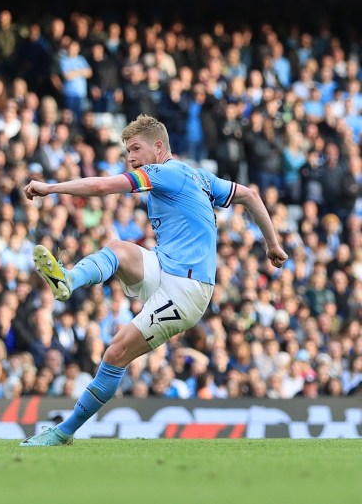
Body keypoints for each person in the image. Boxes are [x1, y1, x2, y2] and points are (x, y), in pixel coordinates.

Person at [20, 115, 286, 446]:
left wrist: (51, 187)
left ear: (158, 147)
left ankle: (63, 433)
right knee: (118, 249)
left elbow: (103, 187)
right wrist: (272, 244)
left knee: (115, 352)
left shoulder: (165, 172)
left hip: (187, 290)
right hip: (166, 267)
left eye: (135, 149)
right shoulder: (199, 176)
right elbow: (249, 196)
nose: (130, 157)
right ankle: (69, 280)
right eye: (126, 151)